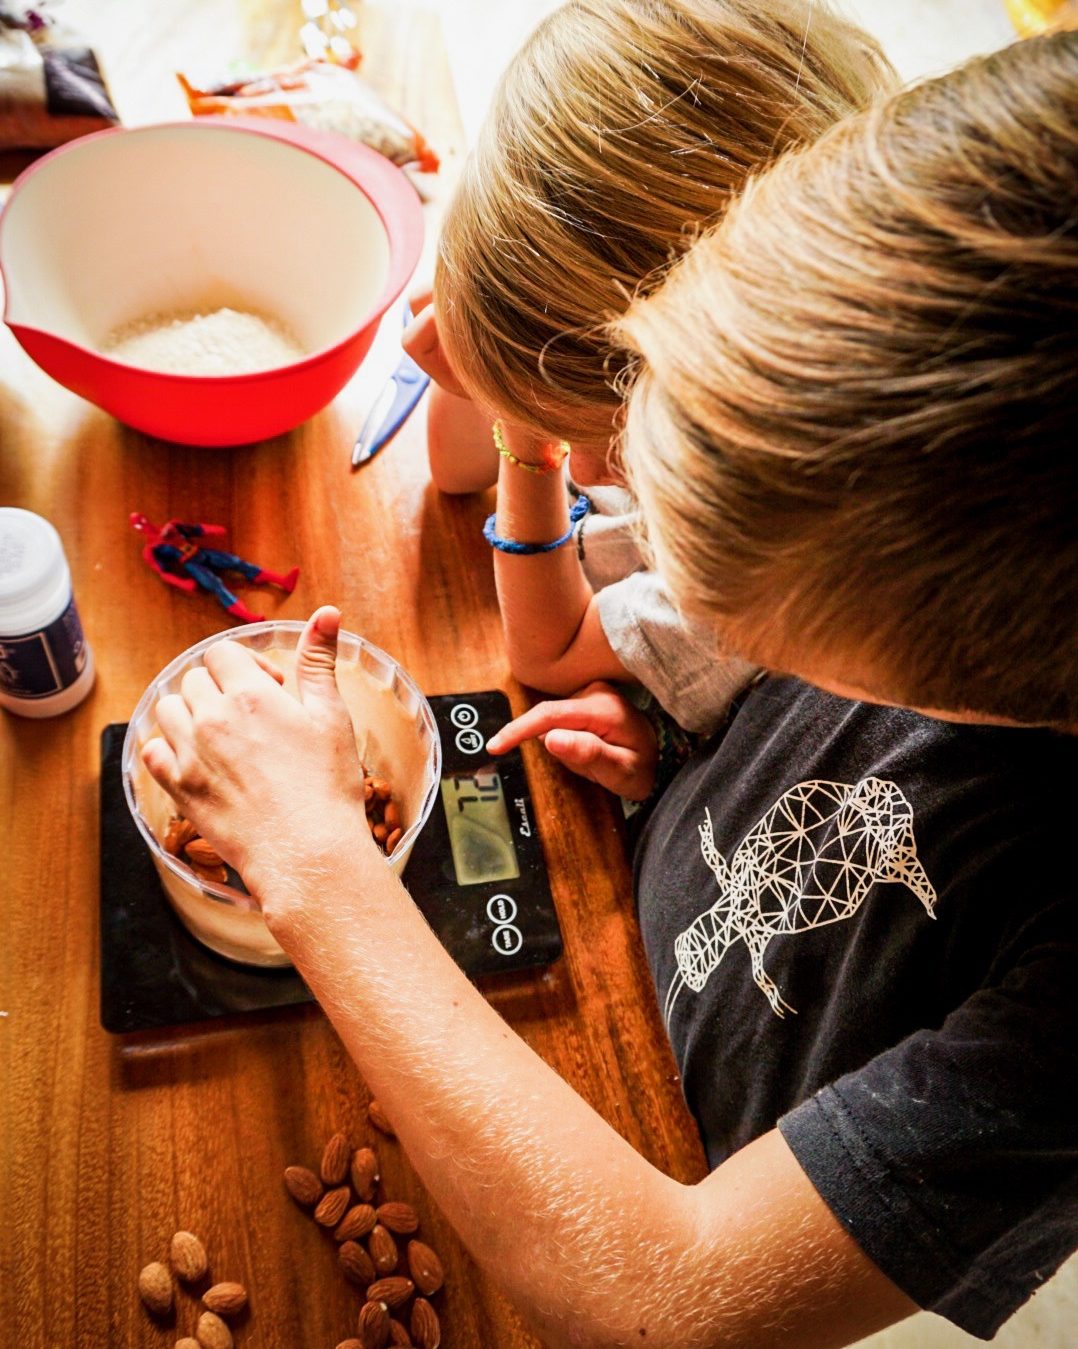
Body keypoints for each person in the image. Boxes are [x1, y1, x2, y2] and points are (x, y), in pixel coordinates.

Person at [141, 32, 1076, 1349]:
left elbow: (665, 1297)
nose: (596, 469)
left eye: (773, 643)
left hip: (691, 1172)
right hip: (631, 954)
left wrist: (308, 859)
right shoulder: (892, 478)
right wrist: (701, 747)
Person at [403, 0, 895, 740]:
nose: (593, 471)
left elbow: (546, 651)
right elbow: (453, 471)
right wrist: (490, 349)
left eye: (607, 437)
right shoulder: (689, 380)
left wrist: (529, 443)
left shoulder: (760, 561)